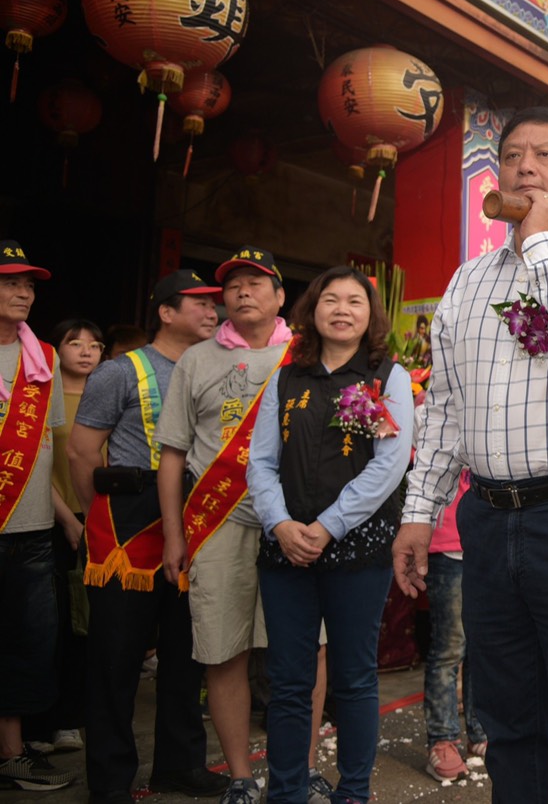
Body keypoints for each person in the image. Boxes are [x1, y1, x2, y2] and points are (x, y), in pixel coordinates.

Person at [392, 105, 548, 802]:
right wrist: (421, 513)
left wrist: (539, 244)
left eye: (544, 156)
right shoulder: (467, 281)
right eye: (512, 157)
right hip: (489, 520)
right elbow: (445, 409)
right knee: (508, 723)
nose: (525, 167)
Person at [247, 266, 415, 804]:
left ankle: (354, 792)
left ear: (371, 317)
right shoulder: (286, 374)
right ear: (311, 310)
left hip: (356, 552)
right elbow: (262, 460)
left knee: (354, 679)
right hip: (286, 550)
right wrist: (280, 523)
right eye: (331, 300)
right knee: (291, 682)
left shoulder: (386, 375)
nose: (342, 309)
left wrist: (326, 526)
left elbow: (388, 467)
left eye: (355, 302)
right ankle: (288, 791)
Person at [71, 270, 229, 804]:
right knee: (116, 657)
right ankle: (112, 778)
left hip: (196, 514)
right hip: (129, 521)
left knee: (188, 654)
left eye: (216, 305)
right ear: (165, 312)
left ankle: (179, 766)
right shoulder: (121, 372)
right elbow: (82, 452)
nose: (214, 313)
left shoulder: (216, 368)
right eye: (200, 304)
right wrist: (104, 509)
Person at [154, 246, 291, 804]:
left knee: (304, 651)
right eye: (233, 283)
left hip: (297, 527)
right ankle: (239, 775)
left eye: (256, 282)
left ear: (281, 296)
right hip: (216, 525)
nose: (242, 291)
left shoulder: (305, 355)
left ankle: (298, 769)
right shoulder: (197, 360)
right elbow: (172, 453)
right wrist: (172, 534)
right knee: (221, 650)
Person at [0, 243, 71, 792]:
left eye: (29, 285)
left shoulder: (42, 356)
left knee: (28, 643)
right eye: (10, 283)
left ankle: (13, 753)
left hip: (31, 531)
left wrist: (67, 518)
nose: (23, 293)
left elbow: (42, 454)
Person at [22, 319, 104, 757]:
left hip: (100, 519)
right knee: (47, 628)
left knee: (86, 627)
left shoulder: (108, 397)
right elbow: (36, 463)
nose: (86, 352)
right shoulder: (38, 395)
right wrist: (70, 521)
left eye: (95, 345)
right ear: (56, 350)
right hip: (50, 519)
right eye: (75, 343)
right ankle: (41, 722)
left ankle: (72, 720)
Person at [420, 464, 487, 780]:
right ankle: (442, 739)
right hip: (448, 547)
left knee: (483, 647)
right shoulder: (429, 415)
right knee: (449, 649)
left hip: (489, 541)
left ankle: (481, 729)